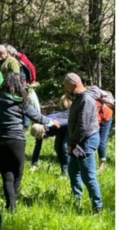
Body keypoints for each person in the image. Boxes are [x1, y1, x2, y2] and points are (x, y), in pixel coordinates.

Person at [0, 72, 59, 211]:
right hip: (15, 141)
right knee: (17, 174)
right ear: (19, 85)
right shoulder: (20, 101)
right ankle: (12, 205)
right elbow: (38, 117)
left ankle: (11, 206)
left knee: (6, 175)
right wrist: (52, 122)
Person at [63, 73, 102, 213]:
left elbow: (83, 127)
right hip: (78, 141)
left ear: (74, 84)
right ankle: (76, 201)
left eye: (66, 87)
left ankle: (97, 208)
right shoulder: (79, 97)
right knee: (73, 171)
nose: (65, 90)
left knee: (88, 176)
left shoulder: (86, 99)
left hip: (85, 140)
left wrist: (71, 142)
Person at [30, 95, 72, 176]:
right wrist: (33, 165)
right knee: (57, 148)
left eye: (39, 136)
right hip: (60, 130)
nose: (39, 138)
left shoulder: (52, 124)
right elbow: (37, 148)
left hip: (67, 125)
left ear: (42, 132)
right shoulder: (39, 130)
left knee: (65, 148)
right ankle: (63, 166)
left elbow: (67, 120)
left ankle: (66, 171)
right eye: (37, 137)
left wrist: (57, 123)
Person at [86, 86, 114, 172]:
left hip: (105, 118)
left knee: (101, 142)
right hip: (100, 118)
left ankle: (101, 165)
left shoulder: (90, 101)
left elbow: (95, 119)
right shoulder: (86, 99)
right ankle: (89, 161)